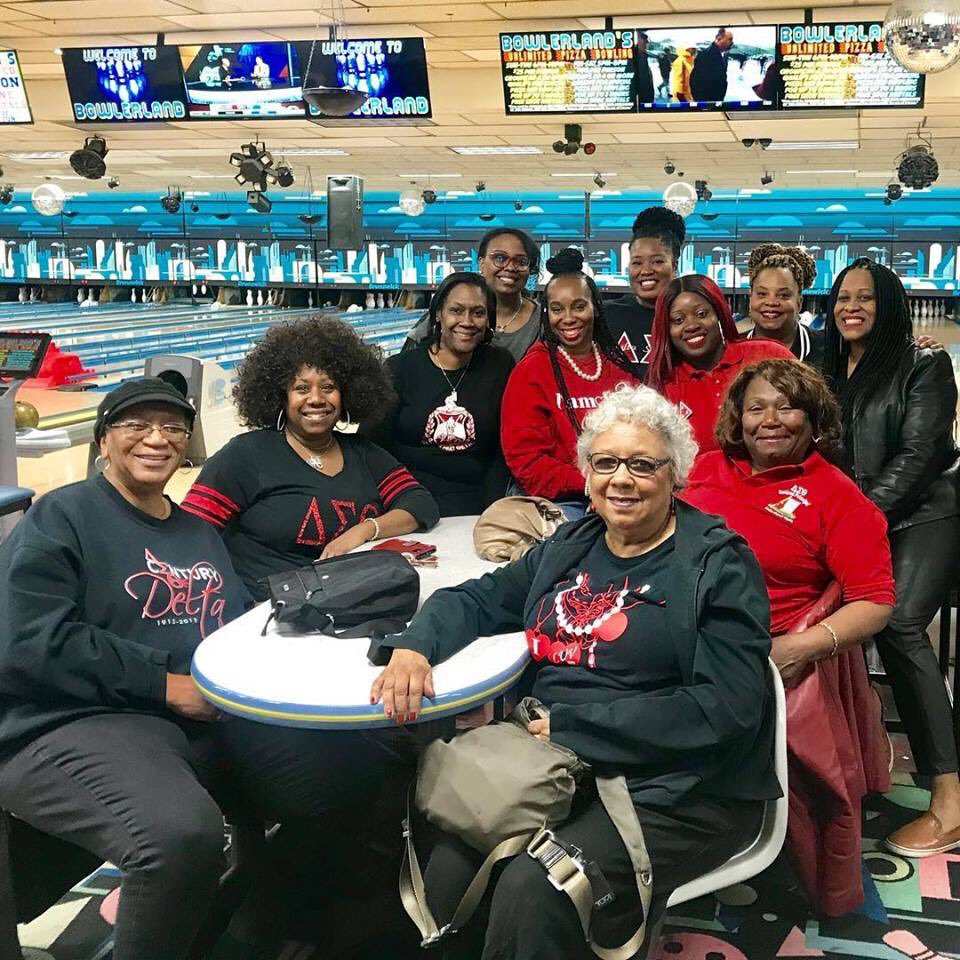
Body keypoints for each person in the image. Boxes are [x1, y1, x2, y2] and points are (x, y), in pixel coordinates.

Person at [369, 383, 779, 960]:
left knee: (538, 888)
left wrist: (574, 727)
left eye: (643, 464)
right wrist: (415, 647)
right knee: (450, 862)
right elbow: (478, 598)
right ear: (586, 474)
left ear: (676, 475)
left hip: (676, 781)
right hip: (554, 762)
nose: (621, 479)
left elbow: (727, 707)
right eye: (605, 463)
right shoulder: (574, 543)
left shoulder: (717, 564)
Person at [0, 379, 250, 960]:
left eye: (172, 428)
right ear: (103, 441)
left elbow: (232, 625)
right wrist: (163, 684)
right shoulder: (63, 515)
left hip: (185, 722)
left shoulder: (198, 534)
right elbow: (29, 640)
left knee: (318, 772)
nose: (156, 439)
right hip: (67, 721)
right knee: (178, 835)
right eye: (137, 425)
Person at [684, 358, 895, 916]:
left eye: (787, 407)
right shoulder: (705, 467)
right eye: (756, 408)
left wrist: (802, 646)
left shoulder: (836, 495)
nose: (770, 420)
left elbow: (875, 600)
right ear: (738, 418)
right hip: (679, 638)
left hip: (762, 655)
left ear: (814, 418)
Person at [823, 258, 960, 858]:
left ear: (891, 305)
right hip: (856, 519)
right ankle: (850, 766)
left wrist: (854, 522)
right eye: (842, 298)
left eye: (866, 298)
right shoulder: (825, 368)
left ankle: (950, 800)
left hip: (924, 513)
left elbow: (919, 457)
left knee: (899, 625)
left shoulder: (924, 364)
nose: (851, 308)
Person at [182, 315, 438, 601]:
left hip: (346, 601)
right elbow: (188, 533)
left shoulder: (363, 453)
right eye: (301, 388)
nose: (316, 399)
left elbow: (420, 504)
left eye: (328, 387)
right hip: (263, 607)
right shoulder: (247, 454)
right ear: (281, 397)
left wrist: (365, 530)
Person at [500, 248, 645, 509]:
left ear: (596, 308)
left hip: (621, 489)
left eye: (579, 307)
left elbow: (642, 438)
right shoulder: (532, 370)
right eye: (557, 309)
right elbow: (527, 462)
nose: (568, 318)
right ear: (547, 314)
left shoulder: (617, 366)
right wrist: (591, 483)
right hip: (561, 498)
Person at [367, 272, 514, 516]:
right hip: (406, 501)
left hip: (475, 504)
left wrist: (492, 510)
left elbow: (501, 451)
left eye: (478, 313)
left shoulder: (499, 365)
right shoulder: (400, 369)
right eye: (456, 310)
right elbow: (373, 447)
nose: (467, 321)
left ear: (488, 319)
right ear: (438, 314)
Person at [646, 274, 793, 454]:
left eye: (701, 314)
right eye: (678, 320)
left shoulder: (768, 355)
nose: (691, 325)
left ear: (719, 313)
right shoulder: (663, 386)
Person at [403, 228, 541, 362]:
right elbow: (405, 366)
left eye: (521, 262)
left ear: (529, 268)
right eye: (499, 258)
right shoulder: (444, 316)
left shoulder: (542, 322)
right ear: (481, 263)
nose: (510, 267)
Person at [605, 205, 685, 372]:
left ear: (675, 266)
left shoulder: (690, 319)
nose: (646, 271)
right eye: (637, 263)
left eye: (657, 261)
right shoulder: (605, 316)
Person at [745, 243, 824, 366]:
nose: (771, 302)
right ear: (750, 297)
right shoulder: (731, 350)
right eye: (762, 294)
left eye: (783, 295)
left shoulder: (828, 349)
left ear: (799, 301)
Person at [690, 28, 734, 103]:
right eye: (729, 39)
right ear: (719, 39)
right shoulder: (706, 55)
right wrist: (703, 103)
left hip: (714, 101)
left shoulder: (719, 54)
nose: (732, 42)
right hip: (708, 102)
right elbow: (696, 81)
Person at [633, 31, 655, 104]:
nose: (646, 44)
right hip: (643, 99)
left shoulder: (643, 55)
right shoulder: (639, 57)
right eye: (645, 41)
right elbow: (643, 80)